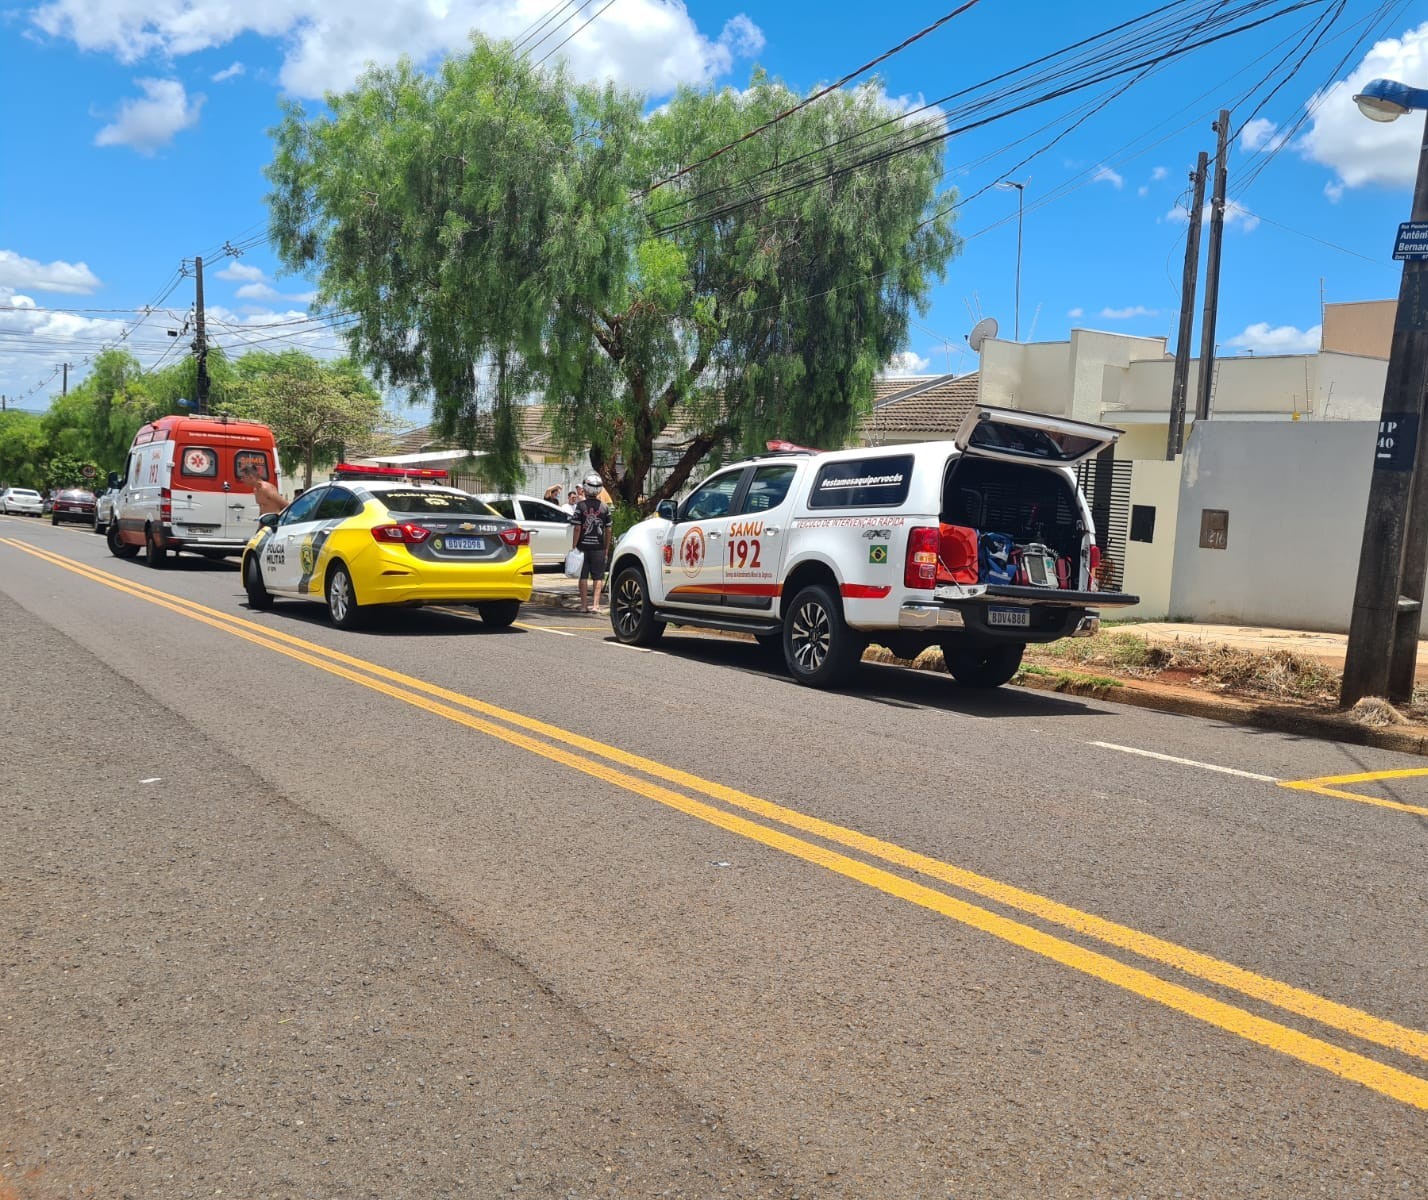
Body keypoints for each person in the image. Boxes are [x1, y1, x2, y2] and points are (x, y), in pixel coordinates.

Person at [569, 473, 612, 614]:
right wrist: (606, 547)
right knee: (598, 576)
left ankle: (584, 606)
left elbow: (577, 528)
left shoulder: (580, 506)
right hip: (598, 547)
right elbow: (608, 529)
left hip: (582, 547)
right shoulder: (605, 507)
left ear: (586, 488)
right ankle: (596, 605)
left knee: (583, 576)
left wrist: (574, 546)